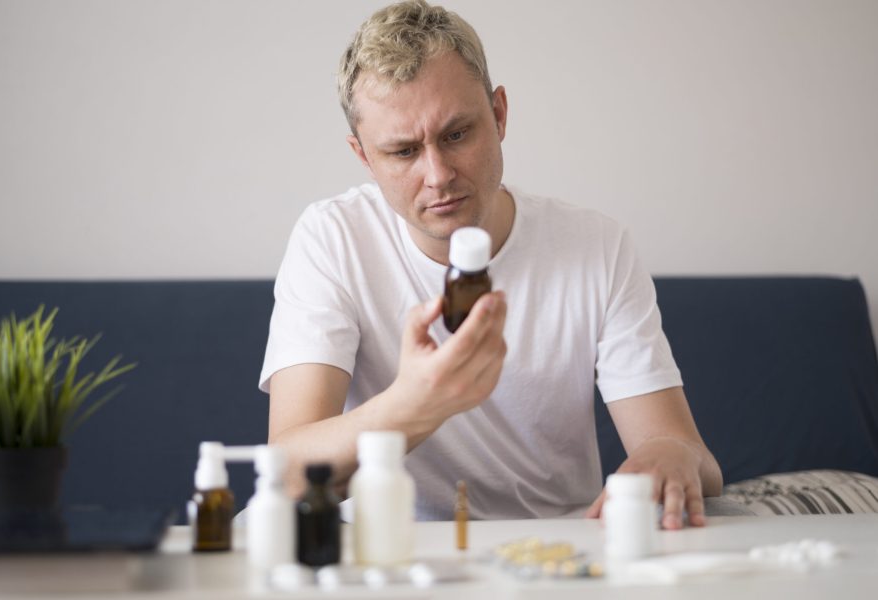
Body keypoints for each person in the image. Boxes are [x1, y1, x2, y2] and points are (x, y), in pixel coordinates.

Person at [259, 0, 722, 528]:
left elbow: (690, 454)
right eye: (403, 152)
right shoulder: (333, 239)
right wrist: (417, 403)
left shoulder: (597, 245)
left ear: (499, 115)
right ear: (363, 156)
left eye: (456, 134)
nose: (437, 175)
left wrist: (673, 457)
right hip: (393, 556)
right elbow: (287, 475)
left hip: (554, 555)